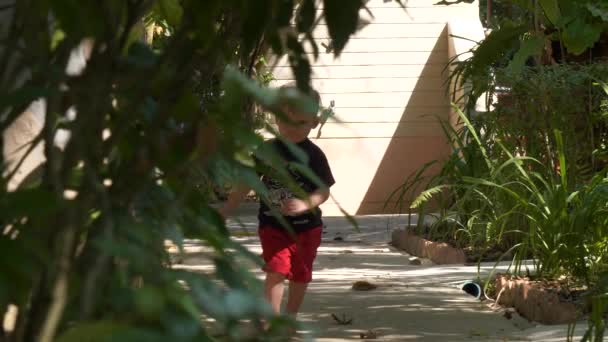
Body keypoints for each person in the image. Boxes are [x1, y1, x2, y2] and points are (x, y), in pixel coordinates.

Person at [220, 84, 335, 320]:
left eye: (301, 123)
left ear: (314, 122)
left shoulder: (314, 156)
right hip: (273, 226)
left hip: (307, 228)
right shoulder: (266, 150)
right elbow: (247, 181)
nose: (292, 129)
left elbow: (323, 191)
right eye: (286, 121)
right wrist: (226, 209)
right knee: (276, 270)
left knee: (300, 274)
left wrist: (306, 204)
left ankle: (290, 317)